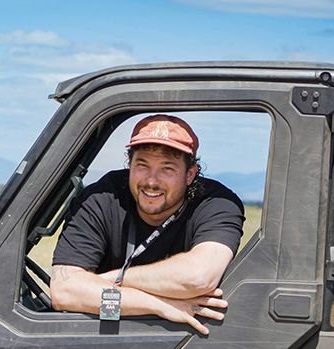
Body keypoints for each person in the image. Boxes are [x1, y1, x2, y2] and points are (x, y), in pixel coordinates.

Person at [50, 114, 245, 334]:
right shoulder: (101, 197)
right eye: (142, 165)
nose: (152, 181)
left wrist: (110, 281)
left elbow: (198, 278)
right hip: (101, 334)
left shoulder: (217, 203)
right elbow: (63, 293)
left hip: (184, 342)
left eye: (167, 169)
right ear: (129, 165)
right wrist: (159, 305)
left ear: (190, 174)